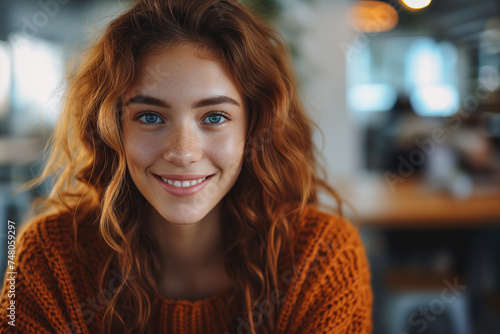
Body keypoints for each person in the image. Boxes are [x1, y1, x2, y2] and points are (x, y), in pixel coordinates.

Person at [0, 0, 372, 333]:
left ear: (255, 126)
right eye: (149, 116)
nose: (183, 153)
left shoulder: (321, 258)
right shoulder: (48, 258)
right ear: (112, 128)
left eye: (214, 117)